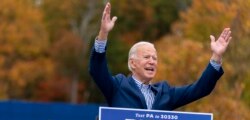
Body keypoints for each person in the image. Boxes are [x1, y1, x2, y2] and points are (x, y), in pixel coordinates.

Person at [89, 2, 232, 110]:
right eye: (146, 57)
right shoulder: (118, 86)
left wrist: (216, 56)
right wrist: (103, 33)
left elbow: (200, 89)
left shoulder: (165, 93)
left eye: (155, 58)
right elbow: (97, 69)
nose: (152, 61)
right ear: (133, 63)